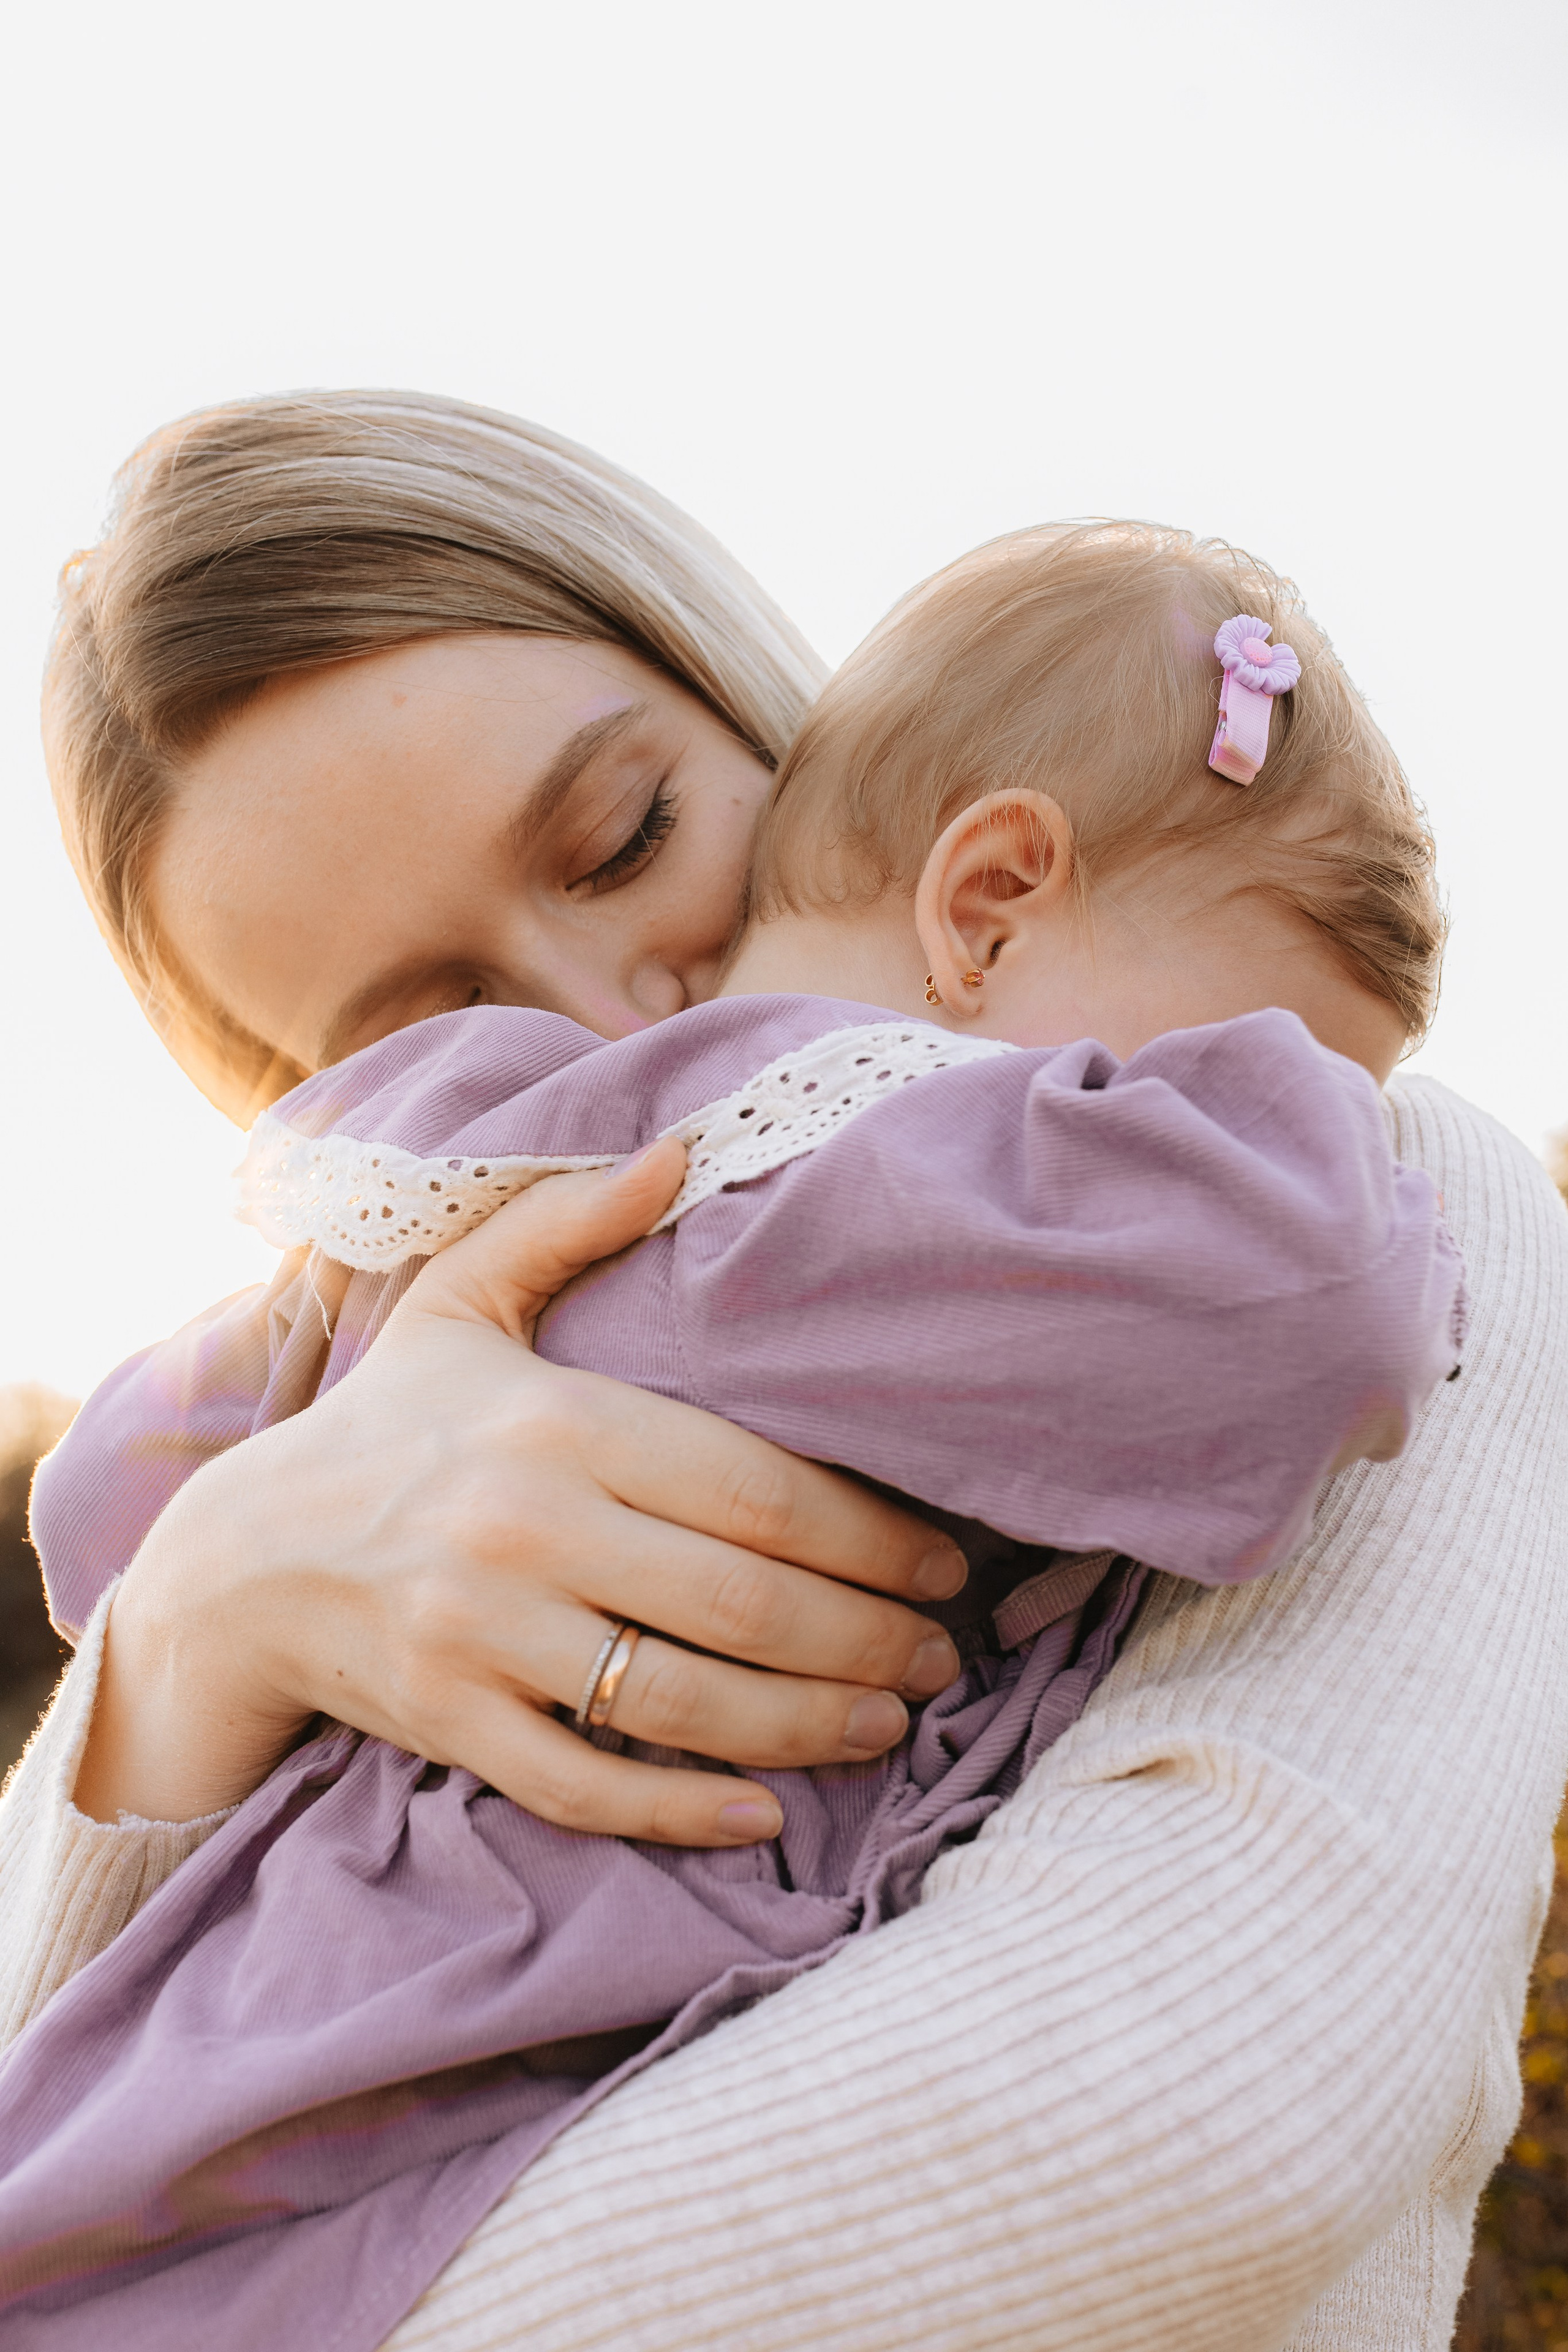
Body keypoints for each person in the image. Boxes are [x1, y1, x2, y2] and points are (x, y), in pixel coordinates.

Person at [1, 393, 1564, 2351]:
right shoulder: (395, 1342)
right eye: (437, 1027)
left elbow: (1205, 2134)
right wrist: (208, 1615)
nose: (605, 1027)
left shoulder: (1369, 1199)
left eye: (629, 835)